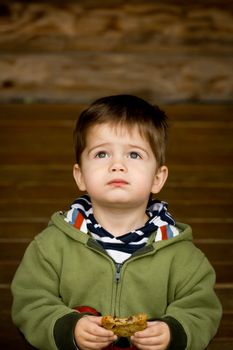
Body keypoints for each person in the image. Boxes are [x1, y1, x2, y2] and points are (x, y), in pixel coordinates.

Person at [11, 94, 222, 350]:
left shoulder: (182, 255)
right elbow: (30, 303)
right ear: (80, 176)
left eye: (134, 155)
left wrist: (172, 333)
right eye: (101, 154)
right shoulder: (51, 246)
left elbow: (201, 310)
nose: (117, 165)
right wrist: (70, 328)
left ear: (158, 177)